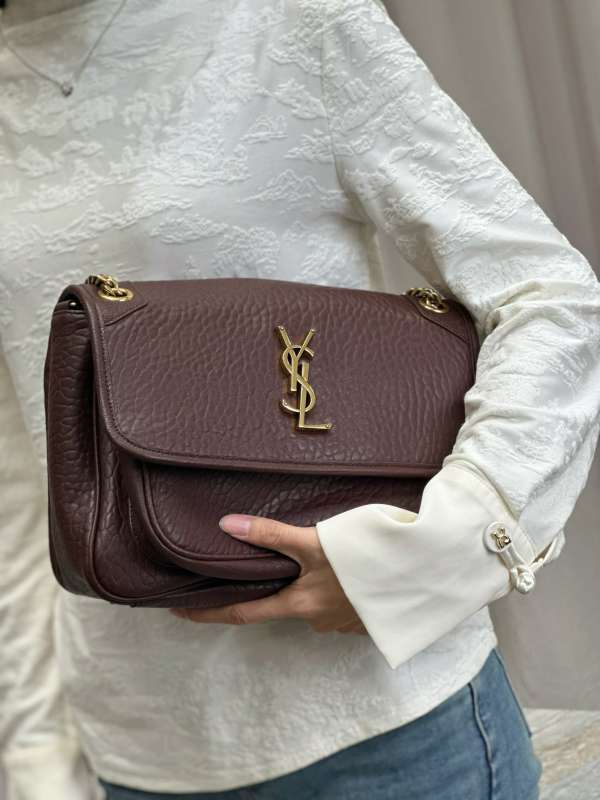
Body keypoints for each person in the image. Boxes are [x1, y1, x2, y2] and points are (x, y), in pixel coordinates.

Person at [1, 0, 599, 798]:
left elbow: (550, 295)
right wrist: (36, 754)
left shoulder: (287, 22)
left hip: (389, 736)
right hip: (133, 754)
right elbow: (22, 467)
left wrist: (431, 555)